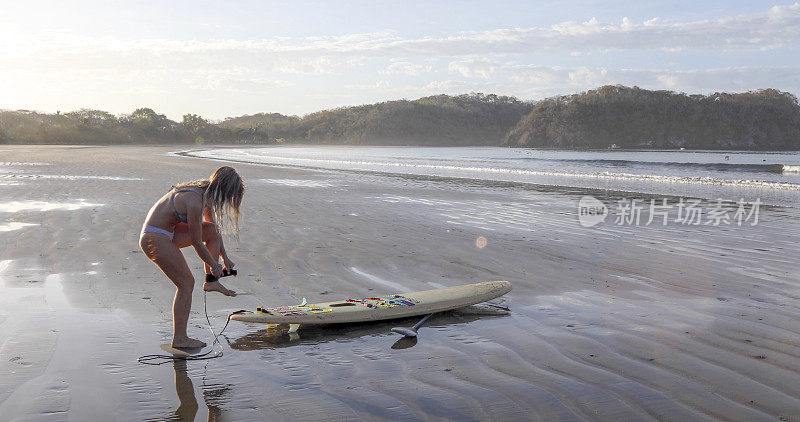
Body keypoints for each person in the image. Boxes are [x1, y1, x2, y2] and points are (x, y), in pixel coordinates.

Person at [139, 166, 244, 348]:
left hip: (168, 233)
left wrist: (224, 258)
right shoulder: (194, 200)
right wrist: (214, 265)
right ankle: (179, 338)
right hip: (154, 237)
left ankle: (211, 282)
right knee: (186, 283)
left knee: (211, 230)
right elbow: (196, 241)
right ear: (223, 190)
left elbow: (213, 233)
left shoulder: (205, 194)